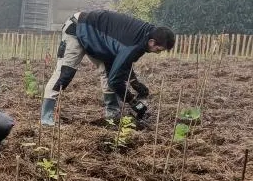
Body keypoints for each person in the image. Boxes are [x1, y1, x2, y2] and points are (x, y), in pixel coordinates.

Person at [41, 10, 175, 126]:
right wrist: (132, 101)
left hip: (97, 39)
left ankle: (112, 115)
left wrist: (135, 83)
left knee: (108, 71)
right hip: (78, 28)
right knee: (64, 74)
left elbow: (124, 63)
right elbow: (115, 80)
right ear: (152, 42)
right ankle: (46, 118)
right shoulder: (135, 44)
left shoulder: (145, 35)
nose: (158, 53)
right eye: (159, 49)